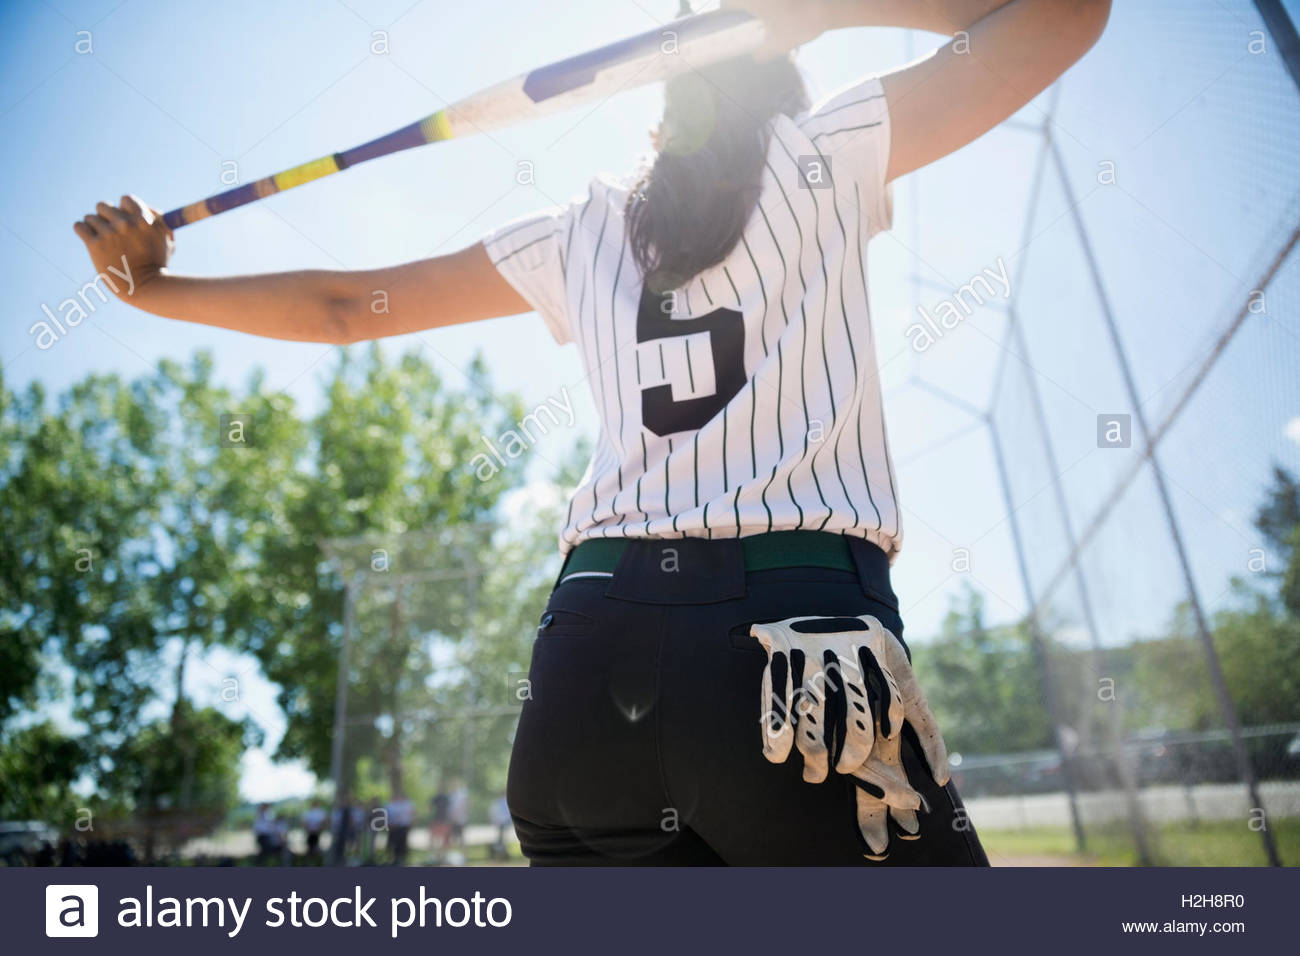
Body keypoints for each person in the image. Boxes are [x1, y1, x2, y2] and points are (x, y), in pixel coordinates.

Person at [72, 0, 1110, 864]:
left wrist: (148, 287)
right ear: (779, 73)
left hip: (582, 677)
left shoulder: (581, 228)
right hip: (794, 651)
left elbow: (350, 308)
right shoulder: (829, 149)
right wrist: (827, 11)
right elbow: (1063, 16)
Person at [385, 790, 415, 866]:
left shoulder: (407, 804)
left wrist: (411, 823)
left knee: (402, 844)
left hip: (403, 827)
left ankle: (401, 859)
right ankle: (391, 858)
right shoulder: (390, 805)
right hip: (393, 827)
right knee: (392, 843)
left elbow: (412, 814)